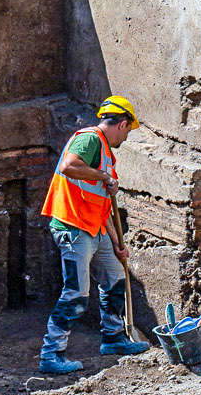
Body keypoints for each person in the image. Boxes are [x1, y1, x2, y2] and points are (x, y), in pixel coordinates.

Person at [37, 95, 151, 375]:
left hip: (95, 228)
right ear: (122, 124)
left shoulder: (105, 156)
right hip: (74, 227)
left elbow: (102, 205)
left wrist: (116, 243)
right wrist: (104, 177)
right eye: (127, 131)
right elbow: (67, 165)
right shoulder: (90, 139)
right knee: (76, 293)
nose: (125, 138)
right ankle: (51, 354)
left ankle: (114, 339)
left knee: (115, 279)